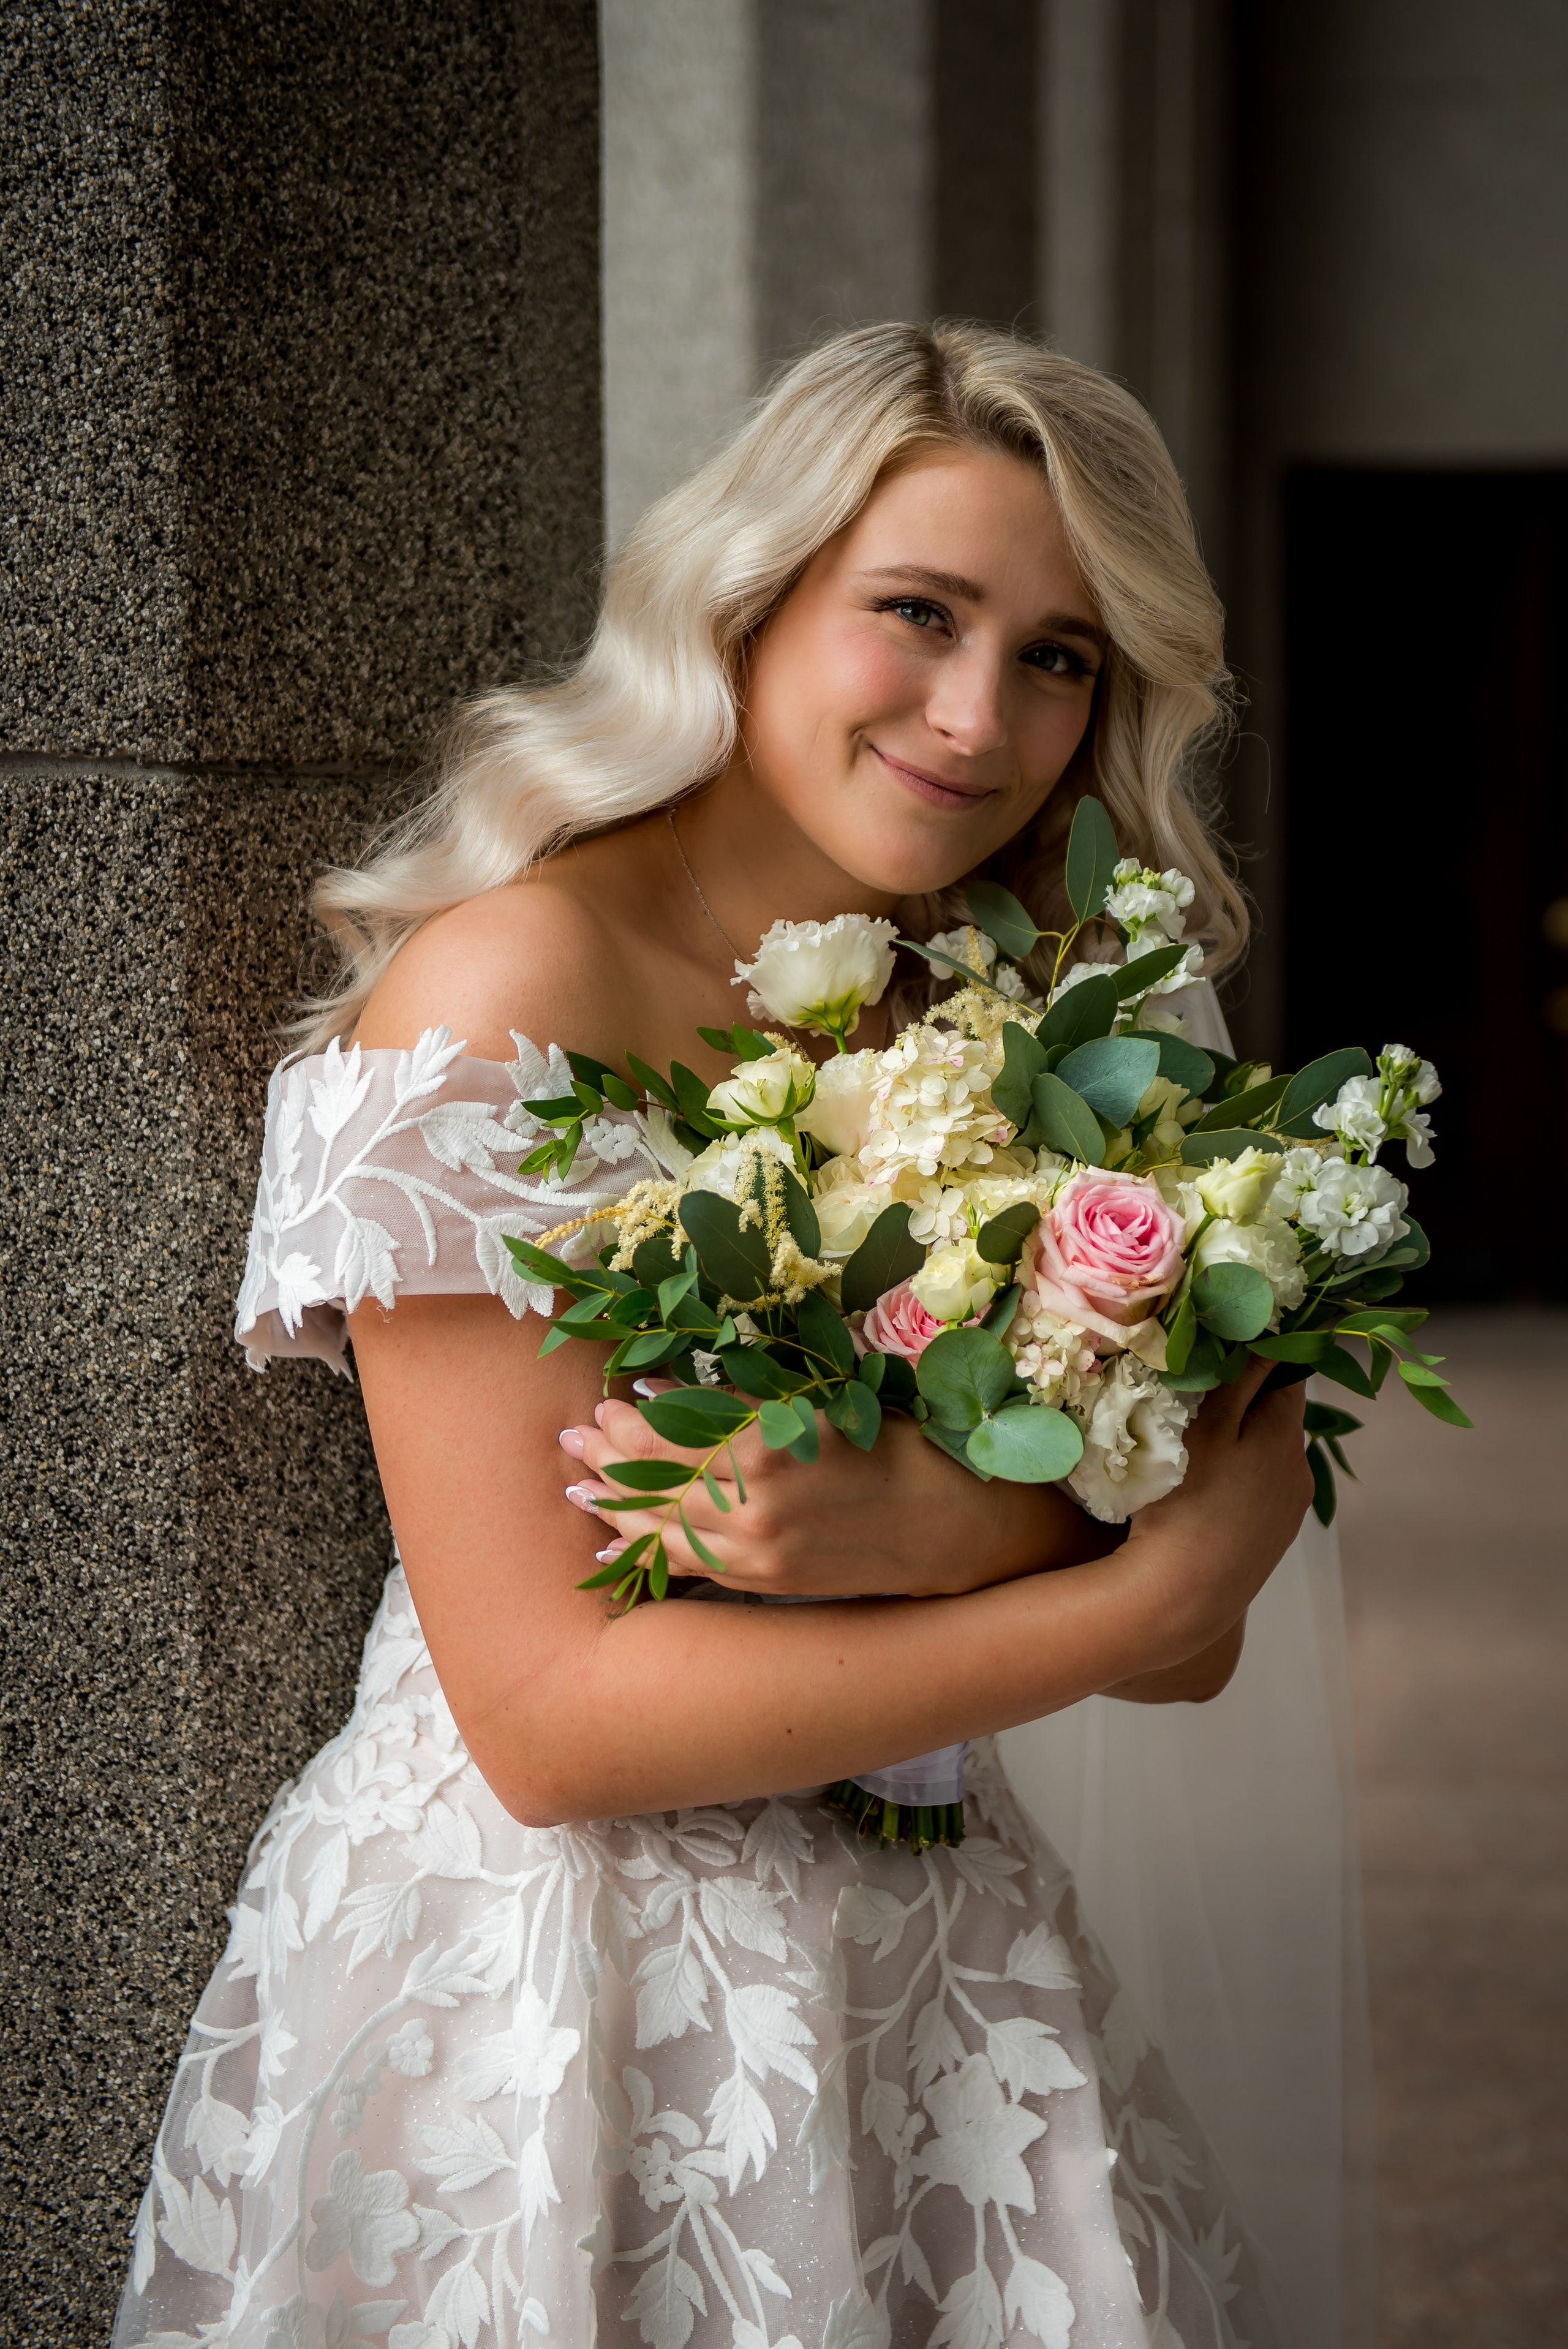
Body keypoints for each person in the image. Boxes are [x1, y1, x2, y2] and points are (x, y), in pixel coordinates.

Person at [116, 325, 1331, 2349]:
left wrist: (951, 1533)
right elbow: (551, 1720)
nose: (980, 714)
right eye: (918, 614)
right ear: (750, 601)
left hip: (942, 1945)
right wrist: (1118, 1591)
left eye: (1060, 655)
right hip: (562, 1982)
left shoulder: (1042, 1007)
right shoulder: (509, 987)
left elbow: (1202, 1608)